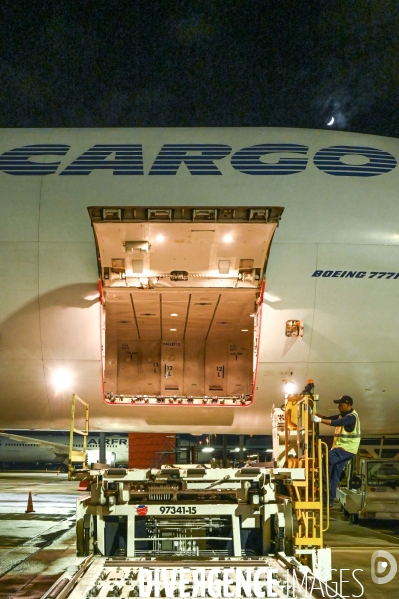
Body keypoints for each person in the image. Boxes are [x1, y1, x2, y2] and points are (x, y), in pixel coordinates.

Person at [311, 395, 361, 507]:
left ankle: (323, 484)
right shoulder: (344, 415)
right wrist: (322, 417)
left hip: (345, 448)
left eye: (341, 404)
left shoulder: (351, 417)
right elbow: (333, 419)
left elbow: (337, 422)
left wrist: (319, 420)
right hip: (347, 450)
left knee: (326, 459)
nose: (338, 406)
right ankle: (328, 501)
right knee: (335, 475)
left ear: (348, 405)